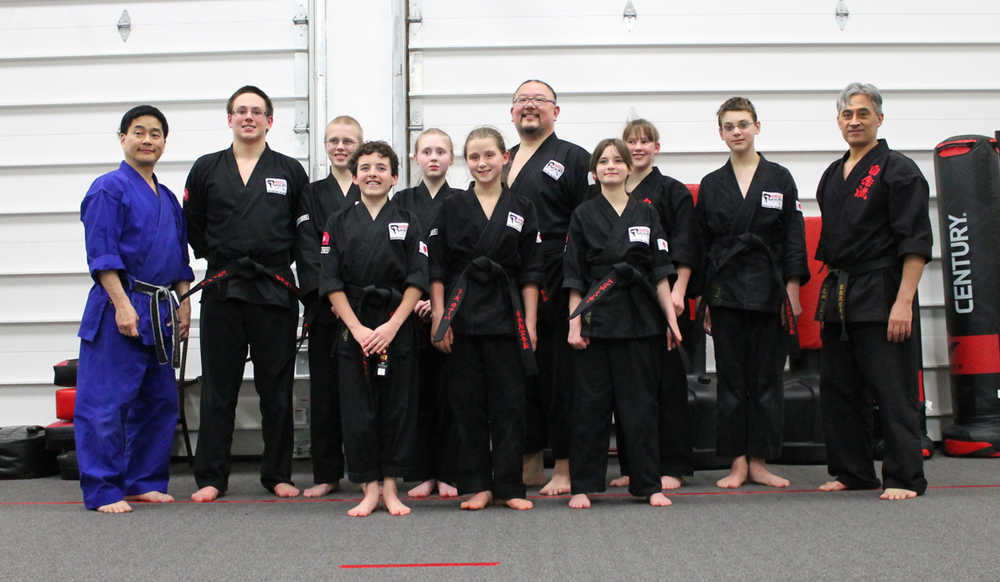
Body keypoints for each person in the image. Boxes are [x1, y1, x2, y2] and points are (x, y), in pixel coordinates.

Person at [184, 86, 309, 502]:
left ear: (270, 121)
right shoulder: (206, 169)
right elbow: (194, 226)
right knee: (220, 386)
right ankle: (211, 477)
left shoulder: (289, 170)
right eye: (241, 111)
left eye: (257, 111)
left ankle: (277, 473)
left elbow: (302, 232)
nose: (249, 117)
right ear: (230, 119)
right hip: (224, 286)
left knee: (277, 387)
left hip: (274, 288)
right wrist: (222, 259)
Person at [815, 83, 930, 501]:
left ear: (879, 118)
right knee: (839, 387)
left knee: (892, 386)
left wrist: (903, 301)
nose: (854, 121)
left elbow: (915, 242)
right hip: (842, 291)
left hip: (884, 288)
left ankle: (904, 476)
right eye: (847, 114)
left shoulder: (899, 170)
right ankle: (853, 470)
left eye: (862, 113)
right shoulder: (833, 172)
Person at [76, 105, 194, 513]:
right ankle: (103, 488)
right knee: (106, 403)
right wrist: (123, 305)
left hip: (160, 306)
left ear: (164, 142)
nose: (147, 140)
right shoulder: (108, 189)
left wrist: (184, 301)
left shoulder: (167, 198)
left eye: (156, 134)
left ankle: (142, 479)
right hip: (119, 305)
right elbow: (102, 255)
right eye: (139, 132)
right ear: (123, 138)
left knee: (157, 400)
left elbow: (180, 256)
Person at [696, 97, 809, 489]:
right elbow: (703, 245)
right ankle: (737, 462)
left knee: (766, 380)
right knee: (731, 380)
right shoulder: (712, 184)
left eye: (743, 124)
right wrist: (705, 299)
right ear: (721, 133)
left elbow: (794, 236)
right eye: (729, 126)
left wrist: (792, 290)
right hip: (725, 291)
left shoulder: (779, 178)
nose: (737, 132)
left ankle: (760, 460)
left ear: (757, 127)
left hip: (769, 290)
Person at [563, 138, 681, 509]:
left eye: (618, 160)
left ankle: (648, 484)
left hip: (640, 318)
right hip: (597, 318)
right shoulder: (583, 214)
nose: (610, 166)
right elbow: (574, 276)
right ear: (593, 170)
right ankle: (582, 485)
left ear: (631, 168)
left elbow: (661, 273)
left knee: (640, 407)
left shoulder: (646, 213)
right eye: (604, 161)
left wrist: (671, 322)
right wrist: (573, 324)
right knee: (589, 407)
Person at [429, 127, 541, 511]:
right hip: (463, 313)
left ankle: (510, 486)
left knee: (510, 404)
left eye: (489, 155)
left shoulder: (523, 207)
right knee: (467, 403)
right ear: (467, 162)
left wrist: (531, 322)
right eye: (474, 157)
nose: (482, 164)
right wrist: (439, 318)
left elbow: (530, 272)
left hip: (507, 316)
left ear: (504, 157)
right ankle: (478, 485)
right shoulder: (452, 207)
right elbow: (438, 269)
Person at [319, 141, 428, 517]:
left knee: (397, 408)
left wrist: (392, 326)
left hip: (397, 327)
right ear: (354, 176)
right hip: (355, 327)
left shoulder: (409, 220)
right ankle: (367, 487)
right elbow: (330, 282)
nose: (373, 173)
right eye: (365, 167)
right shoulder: (338, 222)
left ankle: (392, 488)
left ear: (395, 177)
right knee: (358, 410)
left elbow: (418, 278)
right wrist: (360, 329)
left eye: (381, 167)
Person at [505, 79, 591, 495]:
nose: (530, 106)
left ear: (556, 111)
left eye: (539, 100)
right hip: (512, 279)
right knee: (521, 375)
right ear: (512, 112)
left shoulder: (575, 159)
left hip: (557, 276)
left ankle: (566, 465)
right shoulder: (500, 160)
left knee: (561, 378)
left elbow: (587, 223)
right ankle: (529, 461)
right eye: (522, 100)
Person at [610, 119, 701, 491]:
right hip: (623, 305)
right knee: (629, 390)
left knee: (667, 386)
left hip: (665, 300)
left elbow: (686, 244)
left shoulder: (671, 191)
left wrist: (679, 292)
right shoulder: (611, 190)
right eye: (631, 141)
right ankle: (635, 466)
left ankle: (673, 466)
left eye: (645, 141)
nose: (638, 147)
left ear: (656, 148)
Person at [295, 115, 363, 498]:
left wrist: (352, 301)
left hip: (365, 311)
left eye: (348, 141)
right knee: (324, 392)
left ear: (360, 145)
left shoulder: (371, 185)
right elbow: (307, 249)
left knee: (365, 391)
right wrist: (330, 296)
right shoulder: (311, 192)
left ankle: (366, 468)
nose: (340, 147)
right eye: (334, 140)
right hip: (325, 309)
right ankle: (326, 473)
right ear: (324, 145)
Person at [394, 128, 462, 499]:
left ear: (452, 158)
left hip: (452, 310)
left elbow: (461, 259)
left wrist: (442, 304)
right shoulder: (402, 201)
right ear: (415, 159)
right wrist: (416, 296)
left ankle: (450, 472)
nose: (433, 157)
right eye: (426, 151)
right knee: (414, 395)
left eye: (441, 151)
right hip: (410, 311)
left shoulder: (463, 200)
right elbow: (399, 255)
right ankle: (420, 472)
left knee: (452, 395)